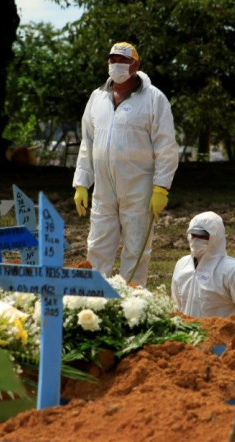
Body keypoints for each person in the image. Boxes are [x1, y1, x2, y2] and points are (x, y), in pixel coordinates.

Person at [73, 42, 179, 286]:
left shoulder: (154, 99)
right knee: (97, 245)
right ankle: (94, 302)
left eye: (122, 61)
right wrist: (81, 182)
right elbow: (88, 141)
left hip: (139, 189)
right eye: (112, 60)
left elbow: (166, 146)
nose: (116, 65)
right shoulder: (97, 97)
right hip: (103, 189)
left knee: (136, 249)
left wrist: (161, 187)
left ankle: (132, 305)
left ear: (135, 65)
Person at [172, 212, 235, 318]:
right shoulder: (182, 266)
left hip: (221, 333)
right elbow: (176, 307)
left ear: (216, 237)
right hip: (187, 333)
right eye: (193, 235)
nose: (196, 240)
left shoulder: (234, 272)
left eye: (203, 236)